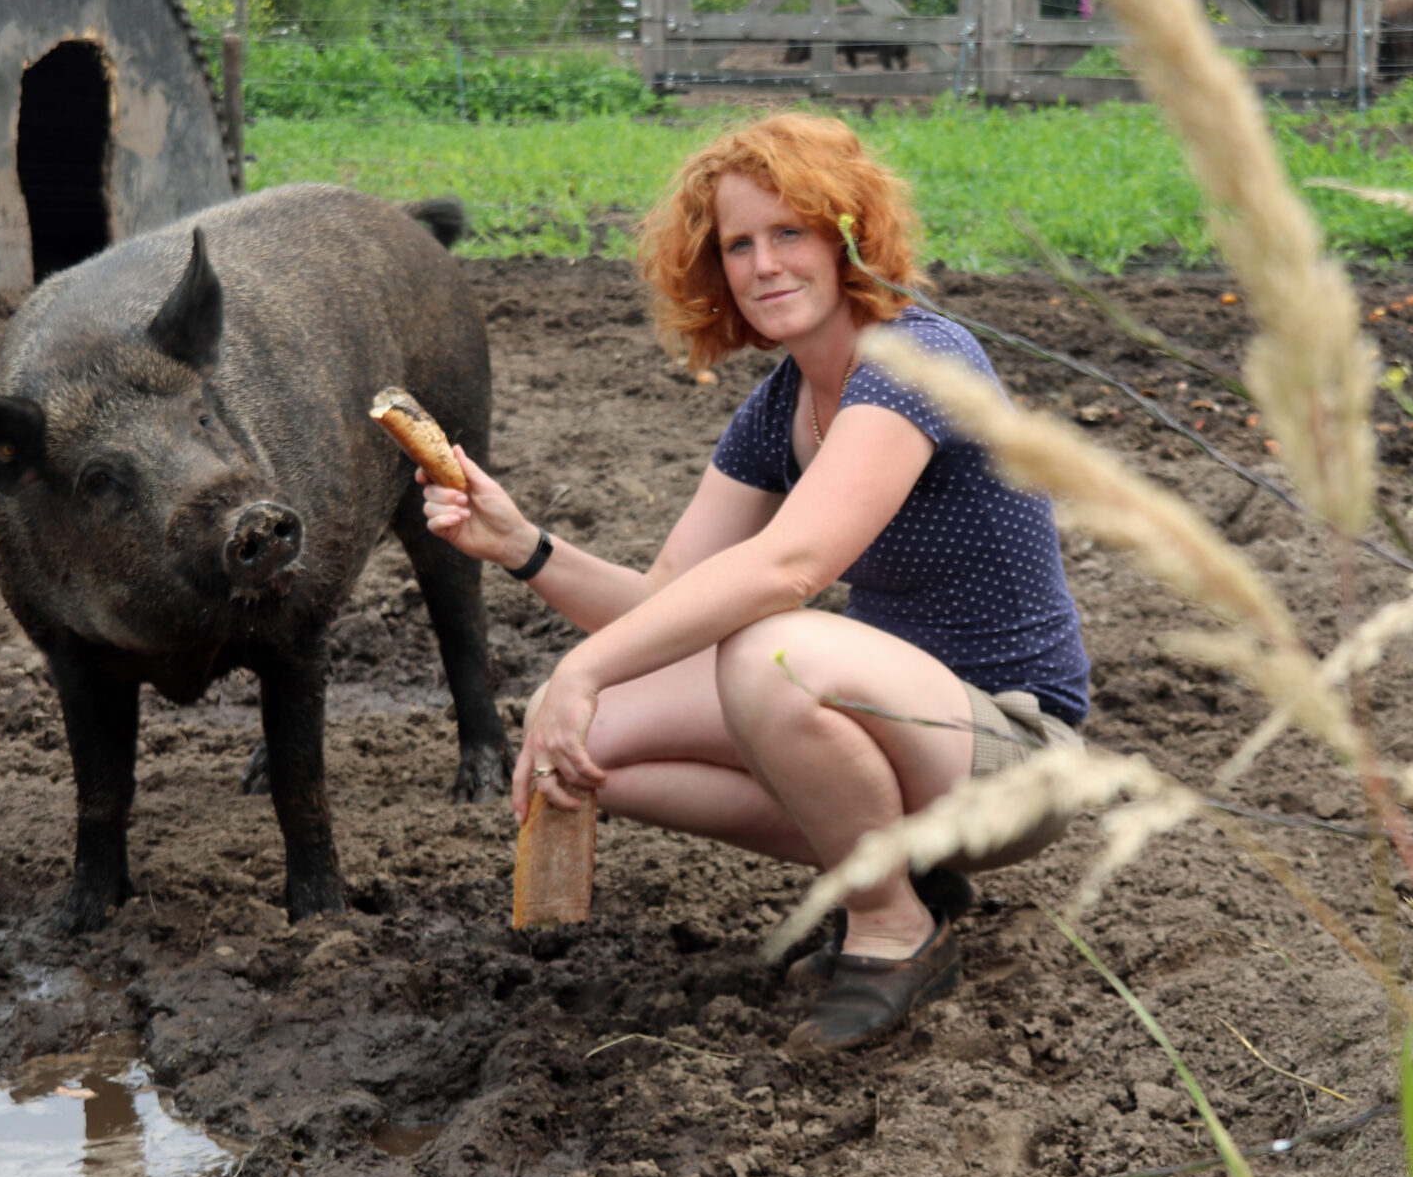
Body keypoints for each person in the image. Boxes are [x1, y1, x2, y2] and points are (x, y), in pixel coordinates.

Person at [418, 113, 1090, 1053]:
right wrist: (522, 545)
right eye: (739, 243)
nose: (765, 264)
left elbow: (793, 567)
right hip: (914, 739)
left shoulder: (918, 359)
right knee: (594, 742)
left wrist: (579, 669)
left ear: (849, 236)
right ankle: (896, 876)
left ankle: (896, 932)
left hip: (1015, 752)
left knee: (772, 655)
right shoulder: (780, 406)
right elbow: (666, 604)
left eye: (791, 233)